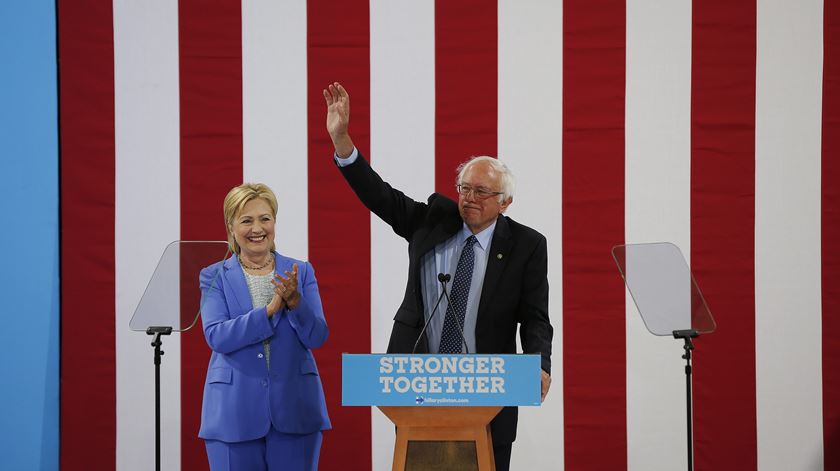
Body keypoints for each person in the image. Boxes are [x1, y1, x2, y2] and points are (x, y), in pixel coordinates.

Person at [323, 82, 553, 470]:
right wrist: (343, 142)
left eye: (482, 191)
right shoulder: (432, 221)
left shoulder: (527, 245)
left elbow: (535, 316)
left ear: (505, 201)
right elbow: (379, 195)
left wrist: (539, 363)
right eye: (464, 188)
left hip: (487, 389)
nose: (469, 198)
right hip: (418, 386)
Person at [198, 183, 330, 471]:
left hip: (295, 409)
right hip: (233, 414)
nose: (257, 228)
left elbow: (317, 336)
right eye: (246, 220)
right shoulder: (214, 276)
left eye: (265, 218)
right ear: (231, 227)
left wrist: (296, 302)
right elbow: (217, 335)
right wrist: (269, 312)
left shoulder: (301, 271)